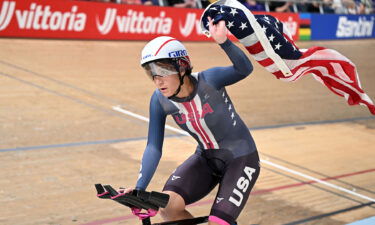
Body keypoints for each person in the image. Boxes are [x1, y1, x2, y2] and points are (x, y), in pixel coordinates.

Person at [122, 18, 260, 225]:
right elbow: (153, 146)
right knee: (168, 207)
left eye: (163, 71)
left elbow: (244, 69)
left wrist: (224, 42)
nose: (157, 80)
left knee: (217, 221)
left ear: (182, 67)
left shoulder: (210, 80)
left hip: (241, 158)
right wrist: (140, 188)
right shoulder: (159, 100)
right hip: (205, 157)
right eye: (151, 73)